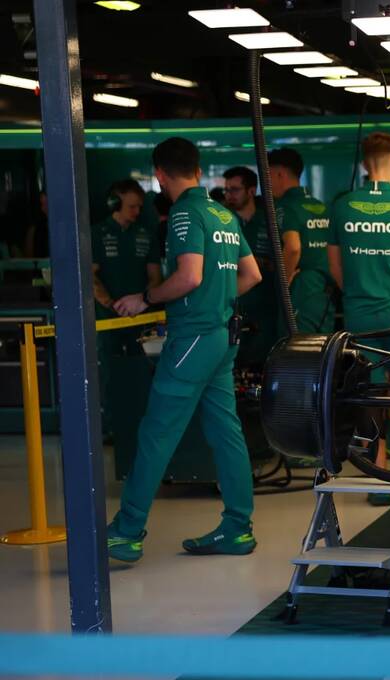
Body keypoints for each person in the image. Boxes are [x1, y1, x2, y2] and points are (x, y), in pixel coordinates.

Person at [105, 137, 263, 563]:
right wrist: (218, 301)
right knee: (225, 431)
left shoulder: (184, 213)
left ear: (159, 175)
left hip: (192, 338)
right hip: (222, 338)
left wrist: (146, 298)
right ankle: (237, 528)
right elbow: (252, 275)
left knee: (156, 432)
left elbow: (189, 277)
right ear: (196, 169)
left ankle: (127, 531)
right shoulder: (224, 214)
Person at [328, 132, 390, 500]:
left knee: (370, 399)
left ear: (364, 164)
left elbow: (336, 270)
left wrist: (361, 294)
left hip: (359, 318)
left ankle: (379, 484)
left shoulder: (342, 207)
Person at [267, 147, 336, 333]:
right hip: (326, 293)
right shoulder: (323, 207)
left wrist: (283, 280)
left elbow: (293, 247)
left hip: (300, 289)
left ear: (280, 174)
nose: (266, 184)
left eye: (268, 176)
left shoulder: (284, 207)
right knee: (323, 347)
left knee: (295, 348)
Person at [91, 179, 161, 360]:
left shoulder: (147, 235)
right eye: (132, 207)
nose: (137, 211)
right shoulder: (96, 234)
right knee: (108, 367)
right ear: (114, 204)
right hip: (105, 321)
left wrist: (141, 302)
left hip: (140, 320)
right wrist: (112, 305)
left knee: (141, 366)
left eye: (139, 207)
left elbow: (155, 277)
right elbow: (89, 277)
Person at [223, 165, 280, 365]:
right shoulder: (222, 221)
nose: (229, 195)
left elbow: (284, 261)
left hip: (266, 307)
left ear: (251, 191)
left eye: (234, 189)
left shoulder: (270, 219)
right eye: (226, 190)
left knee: (264, 365)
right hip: (231, 307)